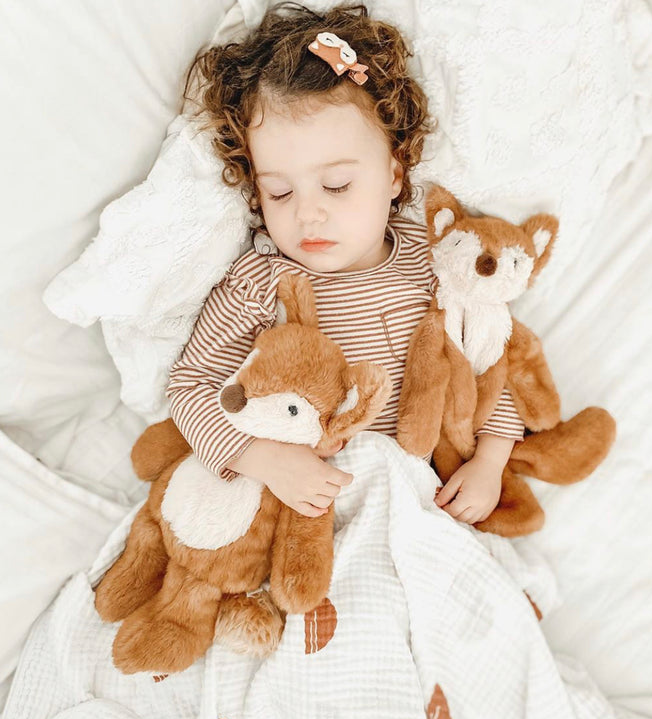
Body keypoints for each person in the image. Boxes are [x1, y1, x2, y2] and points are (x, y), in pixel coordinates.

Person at [167, 2, 525, 526]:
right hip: (312, 511)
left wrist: (490, 462)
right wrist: (266, 459)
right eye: (280, 191)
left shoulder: (435, 259)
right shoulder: (260, 282)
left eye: (337, 186)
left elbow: (488, 358)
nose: (309, 213)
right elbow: (191, 387)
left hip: (427, 498)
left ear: (395, 177)